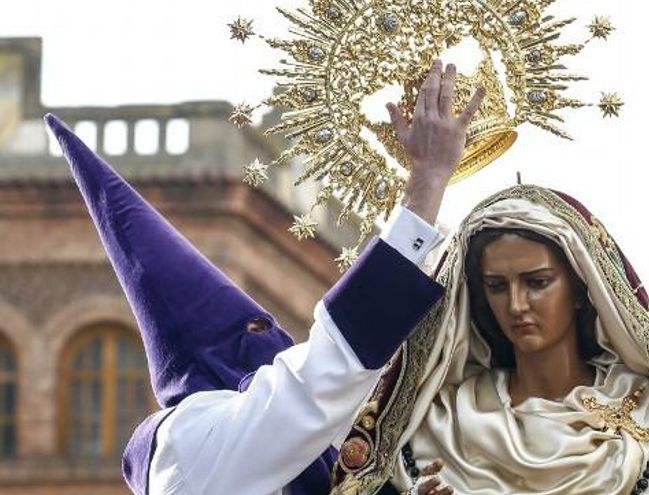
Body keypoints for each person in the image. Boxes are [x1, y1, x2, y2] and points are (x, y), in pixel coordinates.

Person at [44, 59, 484, 495]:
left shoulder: (265, 456)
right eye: (253, 331)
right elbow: (317, 383)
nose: (279, 350)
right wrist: (426, 182)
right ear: (207, 354)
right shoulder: (188, 447)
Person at [328, 195, 649, 492]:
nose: (518, 305)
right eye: (497, 286)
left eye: (538, 282)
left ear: (583, 288)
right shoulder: (438, 427)